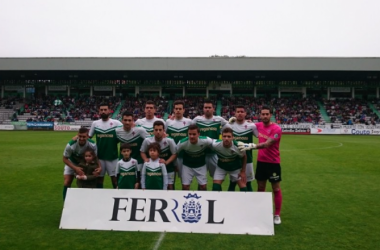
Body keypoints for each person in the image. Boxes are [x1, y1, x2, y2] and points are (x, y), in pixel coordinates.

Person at [238, 105, 283, 225]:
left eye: (267, 114)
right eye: (262, 114)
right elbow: (244, 122)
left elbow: (267, 144)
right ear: (260, 115)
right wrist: (232, 118)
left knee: (276, 188)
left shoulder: (276, 129)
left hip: (273, 163)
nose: (264, 116)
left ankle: (277, 214)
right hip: (261, 162)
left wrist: (251, 146)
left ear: (271, 115)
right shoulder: (258, 125)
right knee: (261, 187)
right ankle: (261, 211)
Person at [192, 100, 228, 182]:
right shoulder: (197, 119)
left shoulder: (219, 119)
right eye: (205, 107)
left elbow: (228, 126)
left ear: (213, 109)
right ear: (203, 109)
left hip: (214, 154)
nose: (207, 109)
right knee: (200, 181)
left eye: (209, 107)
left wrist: (222, 132)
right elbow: (188, 127)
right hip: (201, 154)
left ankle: (216, 194)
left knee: (217, 179)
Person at [225, 105, 259, 191]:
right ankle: (229, 203)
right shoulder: (229, 126)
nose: (240, 113)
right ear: (235, 113)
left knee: (247, 183)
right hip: (233, 159)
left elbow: (260, 136)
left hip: (248, 159)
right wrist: (228, 123)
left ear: (245, 113)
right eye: (238, 112)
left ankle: (249, 203)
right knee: (232, 183)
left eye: (242, 112)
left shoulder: (251, 126)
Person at [89, 103, 122, 188]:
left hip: (113, 157)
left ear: (109, 111)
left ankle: (116, 198)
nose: (103, 111)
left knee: (115, 179)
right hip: (99, 157)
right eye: (101, 110)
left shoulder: (116, 123)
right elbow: (89, 137)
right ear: (99, 111)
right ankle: (100, 199)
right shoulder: (95, 123)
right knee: (99, 179)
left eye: (105, 110)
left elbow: (124, 134)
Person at [62, 127, 98, 200]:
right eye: (80, 136)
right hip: (72, 163)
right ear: (77, 135)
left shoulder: (92, 144)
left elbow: (96, 158)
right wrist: (75, 168)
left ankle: (88, 201)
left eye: (84, 137)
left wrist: (99, 167)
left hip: (85, 164)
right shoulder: (70, 145)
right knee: (67, 182)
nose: (81, 138)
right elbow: (65, 159)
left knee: (88, 183)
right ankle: (65, 205)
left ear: (88, 136)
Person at [140, 121, 177, 190]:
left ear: (164, 131)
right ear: (153, 130)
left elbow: (174, 154)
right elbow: (142, 152)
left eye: (160, 130)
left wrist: (166, 162)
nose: (158, 132)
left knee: (170, 187)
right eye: (156, 130)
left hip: (168, 168)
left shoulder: (169, 141)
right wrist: (145, 159)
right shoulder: (147, 140)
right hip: (153, 169)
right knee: (152, 185)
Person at [176, 124, 213, 191]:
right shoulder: (182, 143)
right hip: (187, 166)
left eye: (194, 134)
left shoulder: (206, 140)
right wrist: (174, 164)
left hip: (201, 165)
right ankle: (185, 200)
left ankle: (202, 200)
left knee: (203, 187)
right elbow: (175, 153)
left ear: (198, 134)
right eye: (189, 134)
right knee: (185, 187)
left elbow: (215, 144)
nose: (191, 136)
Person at [211, 127, 247, 192]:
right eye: (224, 136)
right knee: (215, 187)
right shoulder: (215, 144)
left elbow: (244, 156)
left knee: (244, 189)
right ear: (221, 137)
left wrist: (243, 171)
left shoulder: (238, 147)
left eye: (229, 136)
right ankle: (220, 200)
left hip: (235, 168)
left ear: (233, 137)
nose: (226, 138)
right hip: (221, 167)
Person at [165, 100, 192, 180]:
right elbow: (165, 135)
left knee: (184, 181)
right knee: (170, 181)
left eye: (180, 109)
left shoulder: (189, 122)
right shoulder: (168, 122)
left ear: (184, 110)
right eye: (176, 109)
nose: (178, 110)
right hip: (170, 155)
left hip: (183, 156)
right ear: (173, 110)